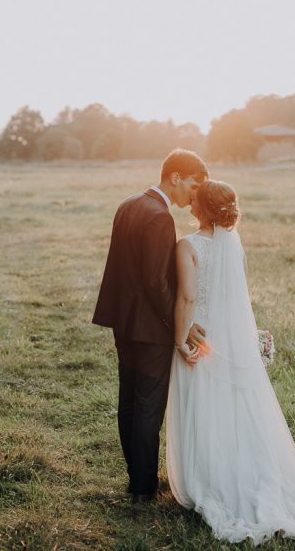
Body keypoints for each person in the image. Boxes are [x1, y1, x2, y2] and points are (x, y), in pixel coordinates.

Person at [166, 180, 295, 543]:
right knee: (236, 407)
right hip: (230, 339)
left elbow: (187, 298)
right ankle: (243, 471)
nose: (189, 205)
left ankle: (208, 478)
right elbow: (240, 299)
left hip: (201, 338)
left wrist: (179, 341)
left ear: (202, 209)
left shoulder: (186, 246)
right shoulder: (235, 245)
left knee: (205, 406)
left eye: (194, 202)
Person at [92, 149, 209, 501]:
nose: (194, 194)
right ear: (174, 177)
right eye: (193, 184)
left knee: (128, 400)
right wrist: (183, 325)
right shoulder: (160, 217)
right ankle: (143, 487)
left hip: (123, 324)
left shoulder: (129, 204)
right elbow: (157, 284)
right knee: (147, 407)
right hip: (149, 330)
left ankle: (136, 478)